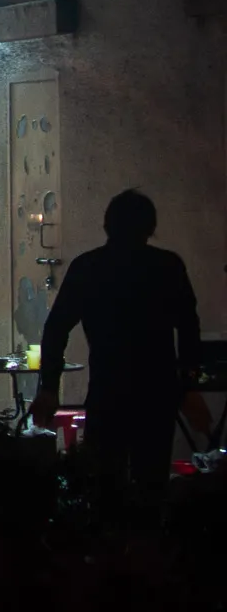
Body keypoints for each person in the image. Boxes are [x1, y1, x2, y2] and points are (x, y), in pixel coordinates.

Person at [31, 189, 200, 525]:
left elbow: (56, 329)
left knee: (106, 489)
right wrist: (189, 384)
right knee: (151, 485)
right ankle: (146, 549)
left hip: (108, 391)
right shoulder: (167, 266)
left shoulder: (88, 267)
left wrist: (49, 387)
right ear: (151, 227)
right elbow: (188, 328)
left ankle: (108, 549)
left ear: (107, 225)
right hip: (157, 391)